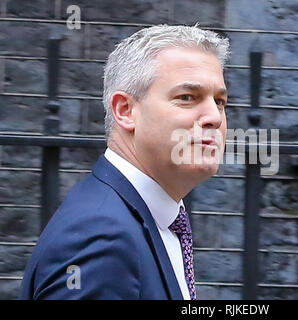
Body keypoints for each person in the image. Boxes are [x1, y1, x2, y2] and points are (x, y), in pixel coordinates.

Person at [19, 24, 230, 300]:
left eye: (220, 101)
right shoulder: (100, 236)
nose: (214, 117)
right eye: (187, 97)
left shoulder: (150, 218)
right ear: (125, 111)